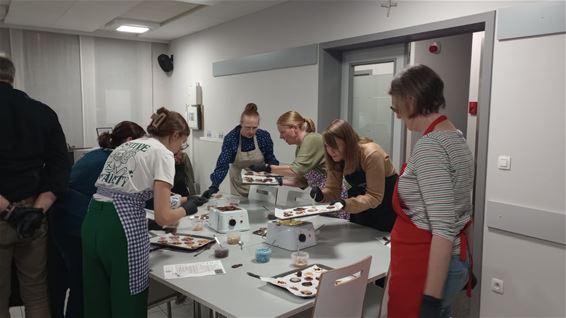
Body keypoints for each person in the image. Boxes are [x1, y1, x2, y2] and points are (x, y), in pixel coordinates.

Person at [81, 107, 207, 317]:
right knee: (128, 302)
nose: (180, 149)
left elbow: (128, 189)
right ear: (174, 135)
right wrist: (187, 208)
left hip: (93, 220)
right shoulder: (163, 154)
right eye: (182, 143)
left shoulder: (129, 145)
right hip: (120, 227)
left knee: (97, 303)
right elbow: (163, 217)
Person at [386, 64, 474, 318]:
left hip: (428, 264)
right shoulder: (456, 137)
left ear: (410, 100)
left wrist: (430, 301)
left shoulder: (430, 147)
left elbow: (444, 228)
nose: (397, 115)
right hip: (453, 258)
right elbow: (463, 210)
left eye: (396, 108)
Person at [49, 121, 146, 318]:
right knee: (83, 284)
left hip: (59, 219)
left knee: (62, 282)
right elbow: (133, 193)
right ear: (129, 141)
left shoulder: (97, 153)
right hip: (76, 222)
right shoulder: (115, 160)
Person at [0, 56, 71, 318]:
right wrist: (37, 211)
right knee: (36, 291)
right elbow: (60, 166)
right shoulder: (42, 112)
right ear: (12, 77)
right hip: (34, 215)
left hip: (2, 214)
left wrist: (9, 211)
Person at [250, 111, 348, 218]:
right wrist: (277, 181)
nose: (280, 137)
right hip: (320, 197)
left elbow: (295, 170)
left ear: (294, 128)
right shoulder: (299, 147)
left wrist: (267, 168)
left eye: (282, 132)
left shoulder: (312, 139)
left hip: (333, 194)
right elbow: (301, 182)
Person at [310, 119, 397, 232]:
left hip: (384, 205)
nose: (330, 151)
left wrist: (345, 204)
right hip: (361, 204)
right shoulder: (336, 157)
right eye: (327, 146)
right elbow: (333, 189)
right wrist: (322, 195)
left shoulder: (371, 154)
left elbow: (374, 197)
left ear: (348, 142)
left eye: (335, 146)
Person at [202, 103, 279, 198]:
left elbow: (270, 159)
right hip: (238, 182)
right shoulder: (232, 138)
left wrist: (275, 174)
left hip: (260, 181)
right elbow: (223, 164)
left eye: (254, 128)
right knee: (239, 207)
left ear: (258, 125)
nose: (251, 131)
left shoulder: (263, 137)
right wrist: (214, 186)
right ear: (241, 123)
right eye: (247, 127)